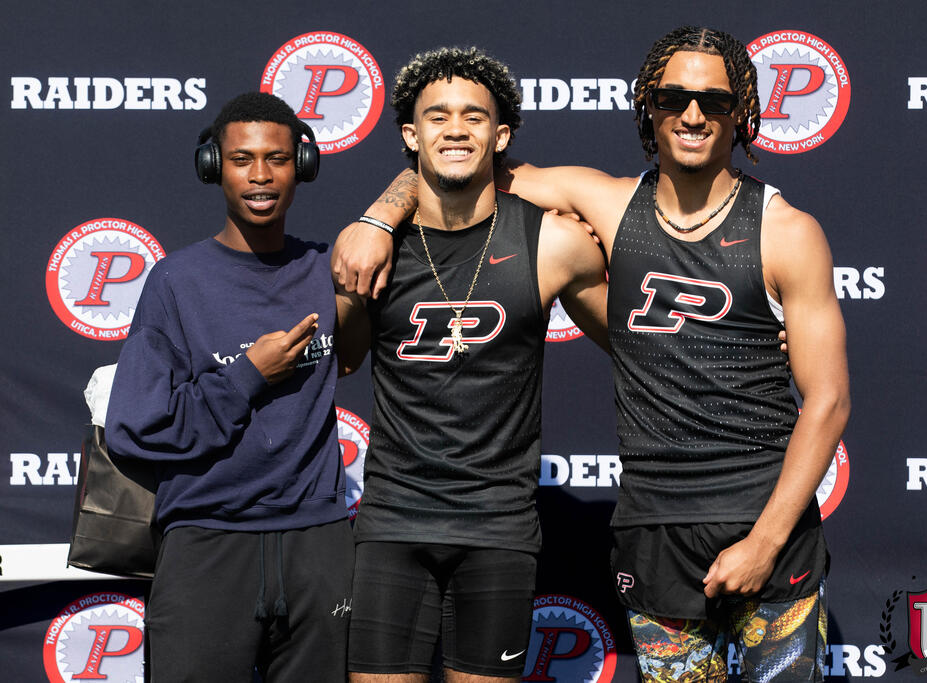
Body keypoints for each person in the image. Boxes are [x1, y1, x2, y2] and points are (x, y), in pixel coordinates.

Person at [336, 26, 849, 682]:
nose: (693, 115)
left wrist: (766, 541)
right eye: (673, 98)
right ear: (648, 108)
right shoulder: (607, 203)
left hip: (767, 520)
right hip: (654, 525)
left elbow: (829, 402)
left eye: (715, 102)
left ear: (741, 112)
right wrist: (378, 218)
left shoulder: (786, 231)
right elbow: (457, 162)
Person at [332, 47, 608, 683]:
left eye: (473, 117)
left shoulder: (553, 242)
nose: (455, 130)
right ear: (411, 135)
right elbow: (345, 359)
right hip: (393, 521)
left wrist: (757, 338)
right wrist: (353, 276)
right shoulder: (374, 249)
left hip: (499, 527)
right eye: (437, 116)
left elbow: (637, 338)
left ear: (500, 135)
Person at [105, 92, 360, 683]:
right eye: (242, 159)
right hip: (207, 543)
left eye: (277, 158)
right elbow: (136, 426)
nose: (260, 175)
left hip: (318, 543)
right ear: (213, 167)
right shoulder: (175, 281)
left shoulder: (329, 271)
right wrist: (247, 376)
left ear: (303, 165)